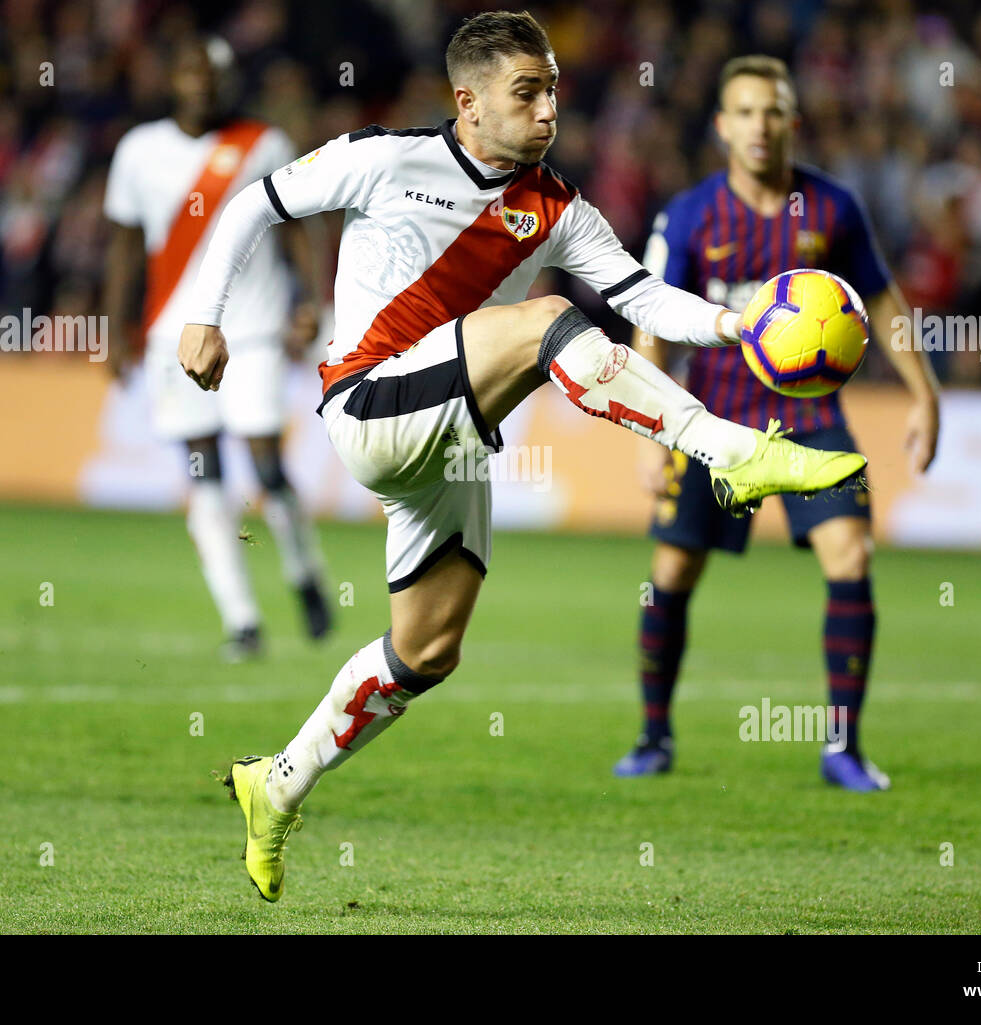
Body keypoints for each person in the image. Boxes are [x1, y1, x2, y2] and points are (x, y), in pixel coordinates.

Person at [178, 13, 867, 901]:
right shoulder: (383, 158)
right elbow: (251, 204)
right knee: (546, 321)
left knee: (427, 650)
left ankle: (274, 784)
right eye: (526, 92)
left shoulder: (557, 208)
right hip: (368, 401)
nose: (548, 109)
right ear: (468, 102)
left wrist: (741, 324)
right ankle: (728, 450)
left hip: (452, 443)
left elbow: (643, 297)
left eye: (552, 90)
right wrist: (207, 315)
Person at [613, 56, 940, 790]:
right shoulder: (689, 215)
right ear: (723, 126)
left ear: (792, 121)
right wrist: (648, 428)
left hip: (812, 417)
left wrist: (925, 390)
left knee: (851, 558)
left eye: (774, 111)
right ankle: (654, 735)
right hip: (710, 422)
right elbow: (653, 326)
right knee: (671, 572)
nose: (761, 125)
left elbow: (881, 303)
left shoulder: (834, 209)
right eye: (747, 112)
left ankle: (842, 748)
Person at [103, 36, 332, 659]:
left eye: (212, 74)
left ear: (228, 81)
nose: (200, 84)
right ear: (171, 78)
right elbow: (124, 245)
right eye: (188, 72)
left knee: (264, 464)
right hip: (169, 341)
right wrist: (114, 328)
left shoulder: (264, 144)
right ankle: (242, 620)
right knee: (202, 474)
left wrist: (313, 301)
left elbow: (302, 227)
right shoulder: (138, 151)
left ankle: (303, 571)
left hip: (251, 332)